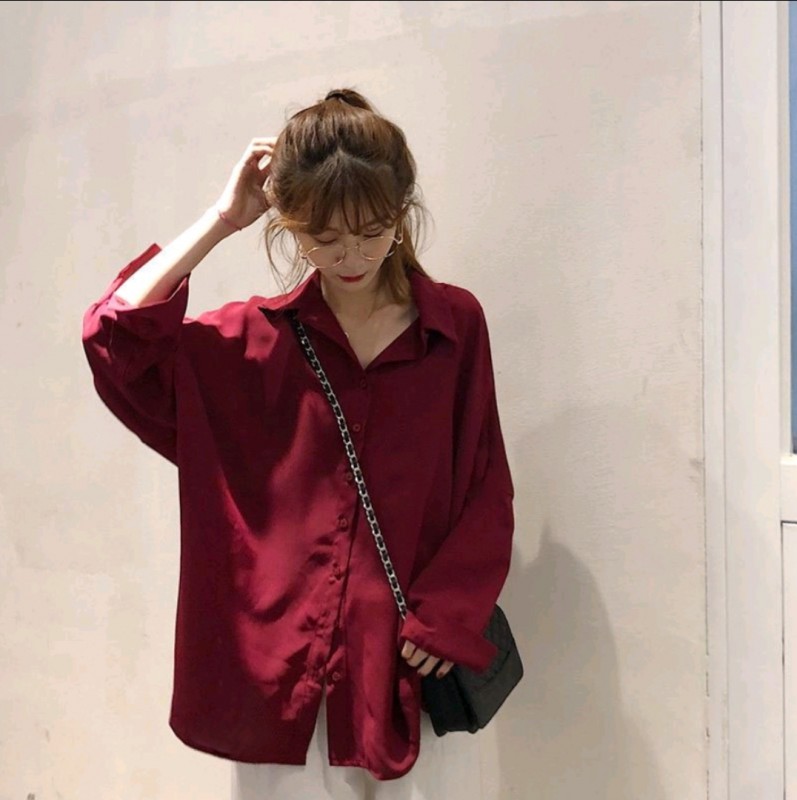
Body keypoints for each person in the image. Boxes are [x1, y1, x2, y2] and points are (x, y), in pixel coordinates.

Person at [81, 87, 515, 797]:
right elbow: (115, 339)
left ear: (402, 212)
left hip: (409, 664)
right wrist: (222, 221)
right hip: (281, 678)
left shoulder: (452, 329)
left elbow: (485, 484)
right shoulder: (248, 345)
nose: (351, 254)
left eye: (372, 230)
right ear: (290, 225)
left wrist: (448, 615)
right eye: (323, 235)